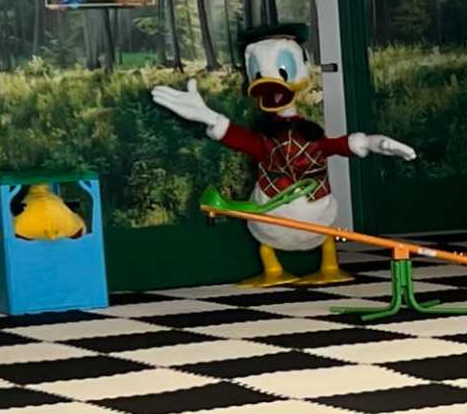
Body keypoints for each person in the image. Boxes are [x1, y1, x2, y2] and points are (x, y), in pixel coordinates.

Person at [149, 25, 414, 280]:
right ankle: (274, 270)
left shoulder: (311, 138)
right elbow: (241, 139)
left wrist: (374, 142)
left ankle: (329, 265)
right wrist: (208, 116)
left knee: (324, 234)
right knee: (270, 238)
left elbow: (340, 145)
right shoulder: (265, 143)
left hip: (316, 215)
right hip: (273, 219)